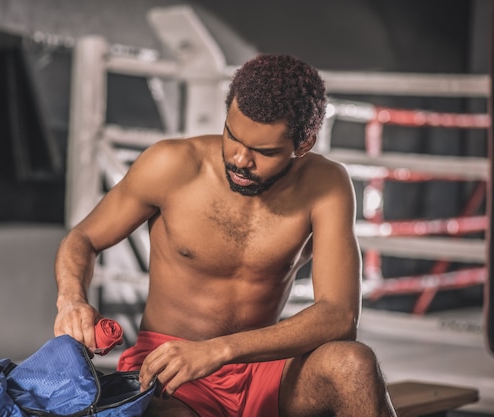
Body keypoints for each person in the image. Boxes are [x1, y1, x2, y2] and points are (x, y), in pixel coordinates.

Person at [54, 53, 397, 417]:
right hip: (170, 368)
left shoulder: (326, 185)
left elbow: (340, 315)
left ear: (305, 144)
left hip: (260, 366)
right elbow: (84, 238)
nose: (240, 160)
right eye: (233, 136)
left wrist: (220, 350)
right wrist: (72, 299)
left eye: (263, 152)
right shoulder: (172, 165)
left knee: (353, 364)